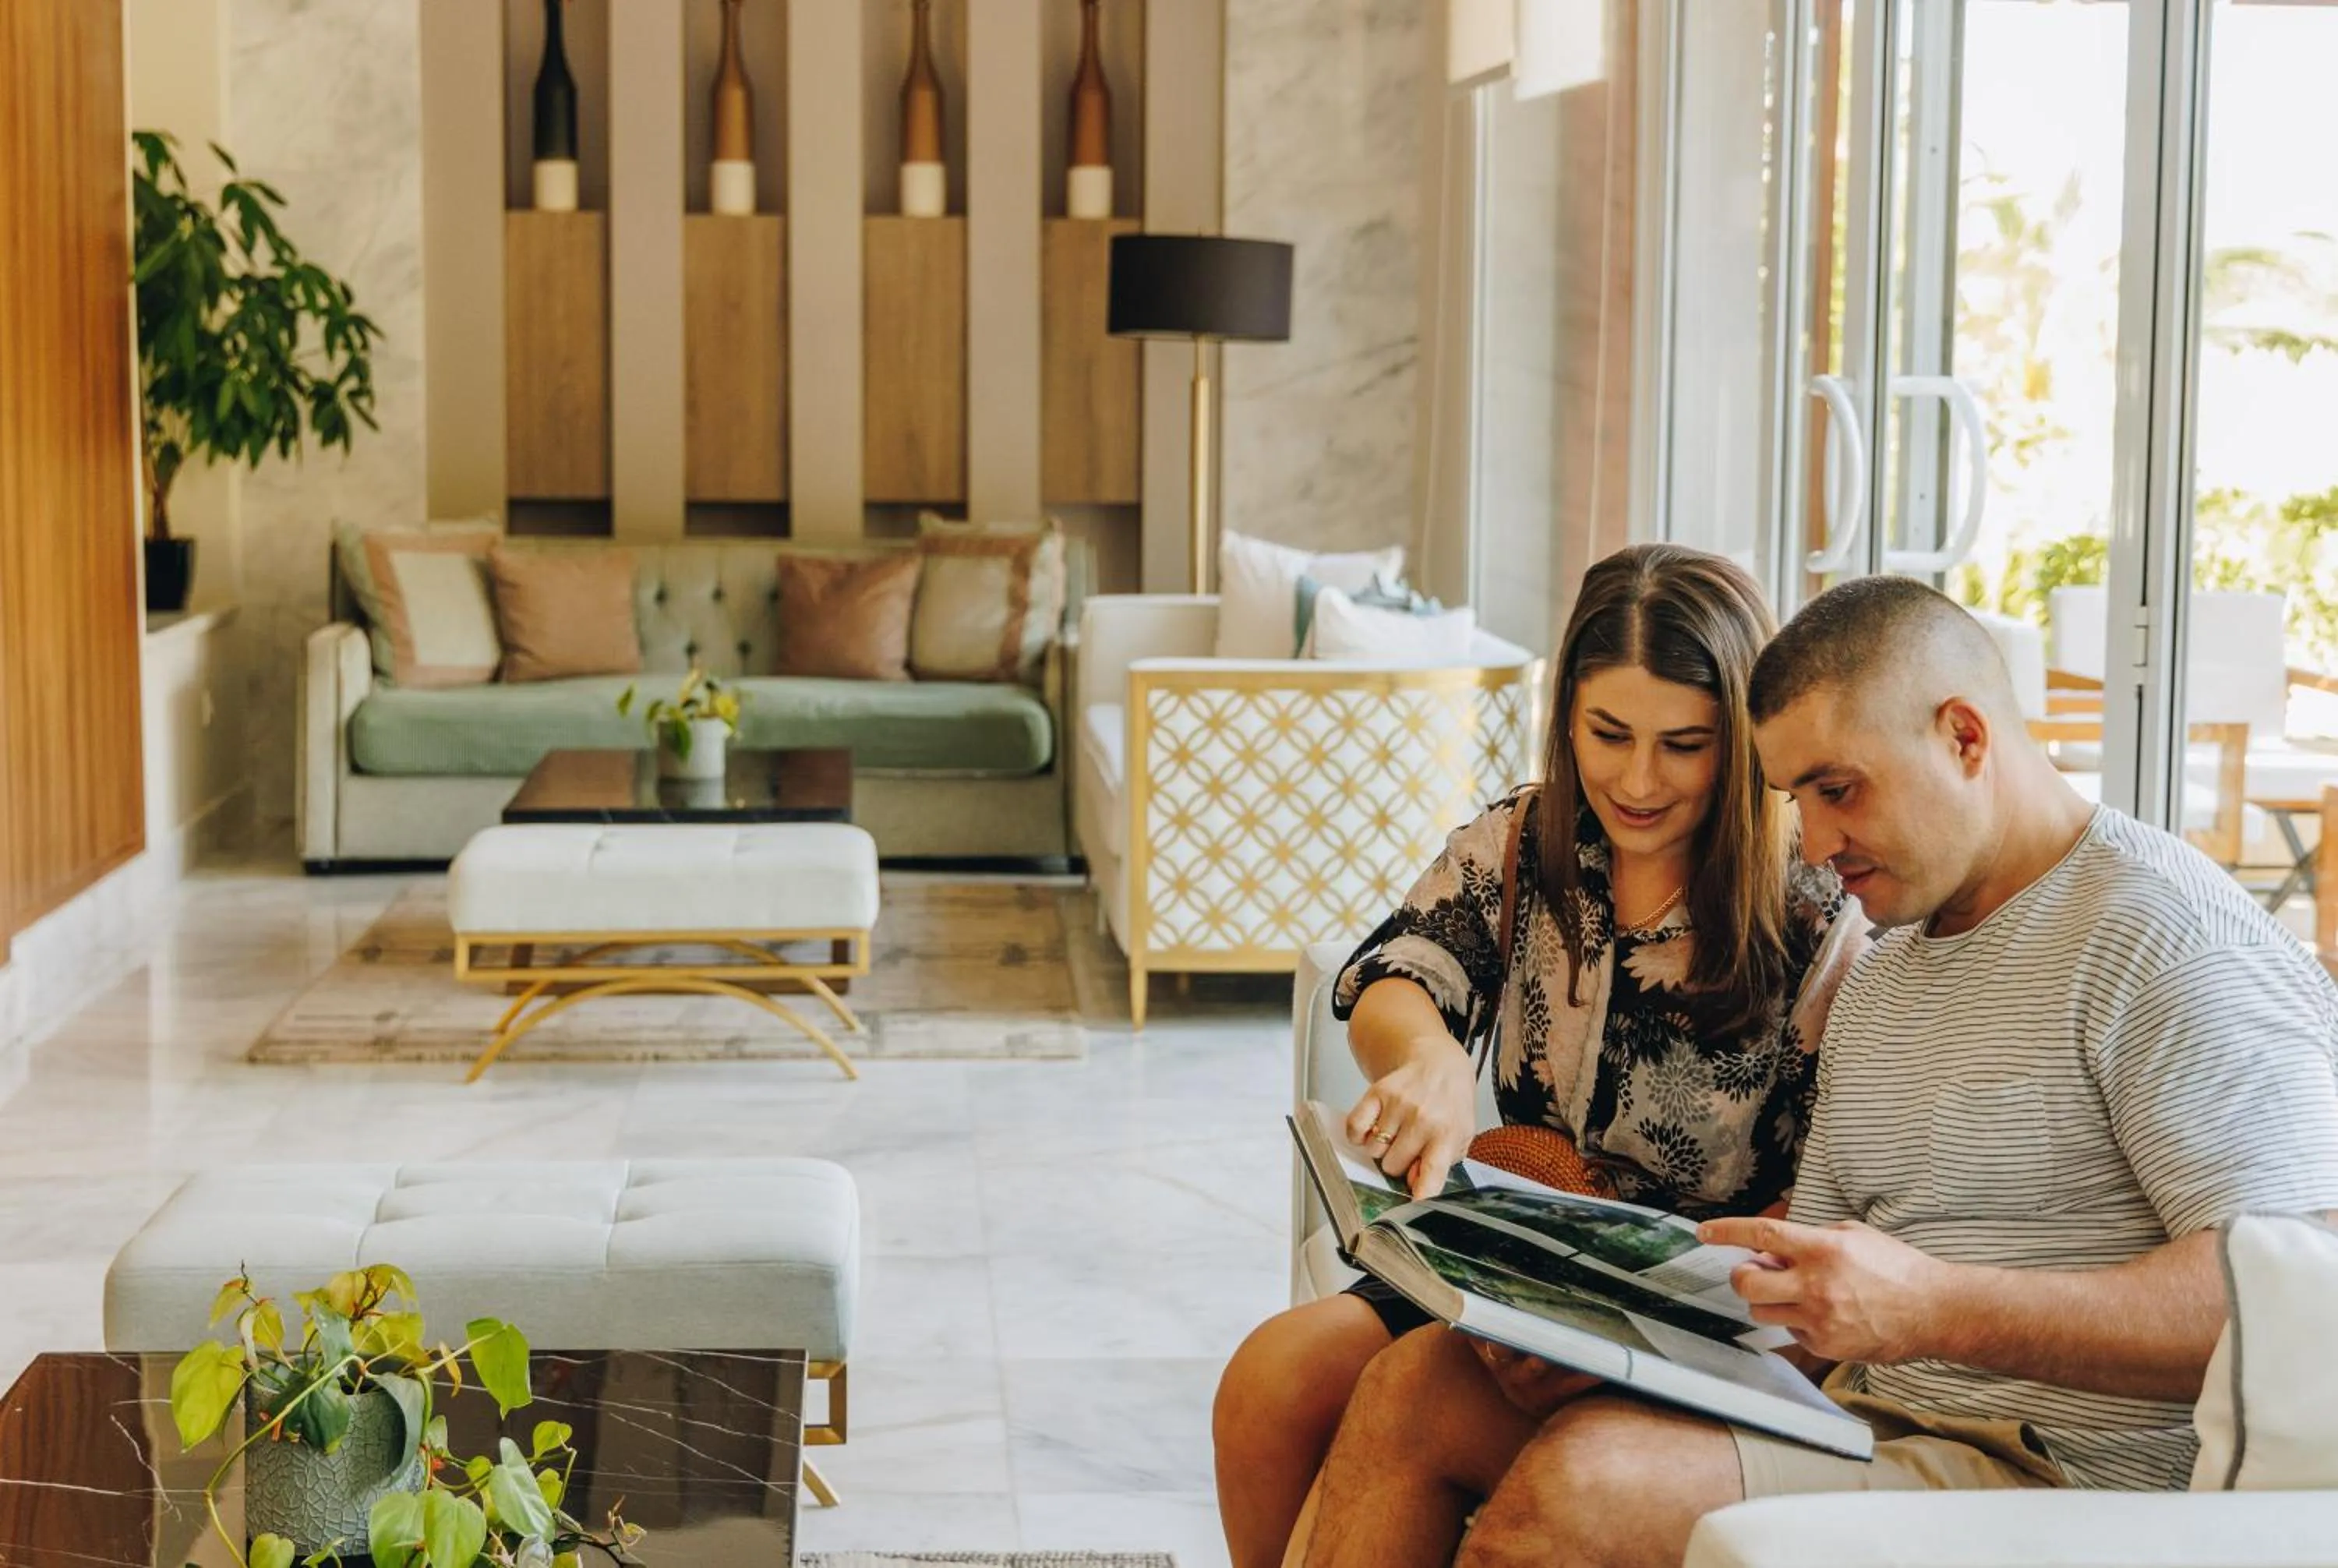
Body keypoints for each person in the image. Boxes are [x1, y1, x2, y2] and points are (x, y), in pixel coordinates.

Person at [1298, 574, 2338, 1568]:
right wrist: (1592, 1327)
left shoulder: (2163, 941)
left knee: (1592, 1485)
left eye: (1839, 790)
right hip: (1868, 1418)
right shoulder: (1890, 977)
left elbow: (2299, 1308)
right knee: (1418, 1389)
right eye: (1797, 796)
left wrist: (1934, 1309)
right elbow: (1812, 1312)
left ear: (1965, 737)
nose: (1817, 838)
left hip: (2062, 1476)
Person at [1211, 543, 1868, 1568]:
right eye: (1609, 734)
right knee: (1274, 1380)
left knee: (1403, 1399)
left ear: (1740, 743)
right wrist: (1425, 1058)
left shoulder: (1814, 911)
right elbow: (1397, 968)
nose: (1638, 781)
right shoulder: (1528, 844)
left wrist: (1623, 1320)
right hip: (1511, 1256)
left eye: (1684, 746)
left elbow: (1832, 1194)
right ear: (1567, 715)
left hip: (1697, 1312)